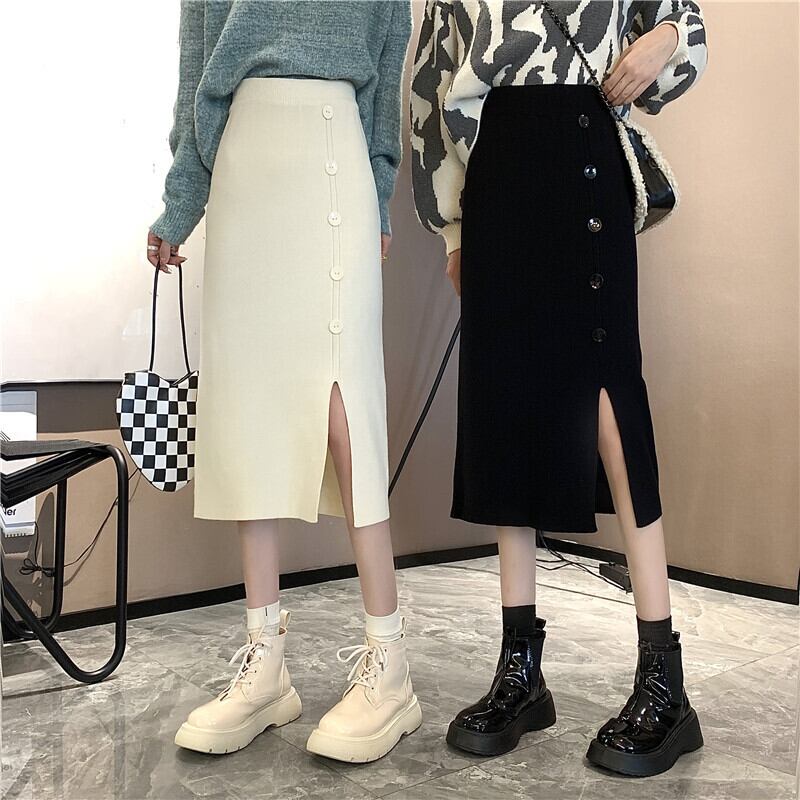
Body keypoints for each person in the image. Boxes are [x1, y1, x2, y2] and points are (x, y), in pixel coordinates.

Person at [410, 0, 708, 777]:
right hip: (496, 178)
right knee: (506, 406)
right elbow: (432, 81)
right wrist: (453, 229)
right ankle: (520, 670)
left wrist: (664, 42)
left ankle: (664, 680)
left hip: (584, 158)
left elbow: (684, 24)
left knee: (609, 401)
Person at [146, 1, 419, 763]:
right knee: (249, 410)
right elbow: (197, 74)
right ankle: (264, 663)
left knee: (344, 410)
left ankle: (390, 665)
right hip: (244, 169)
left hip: (334, 161)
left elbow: (386, 70)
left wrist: (379, 196)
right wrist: (180, 201)